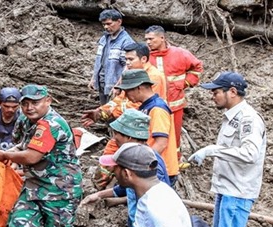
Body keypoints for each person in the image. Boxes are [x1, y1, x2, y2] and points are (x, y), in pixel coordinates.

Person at [0, 84, 83, 227]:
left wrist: (5, 156)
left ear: (48, 101)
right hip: (35, 184)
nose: (29, 107)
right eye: (25, 103)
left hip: (61, 188)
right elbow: (21, 146)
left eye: (35, 102)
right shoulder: (25, 120)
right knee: (20, 225)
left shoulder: (51, 124)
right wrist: (7, 153)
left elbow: (32, 156)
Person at [189, 72, 265, 227]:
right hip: (228, 185)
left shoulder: (248, 119)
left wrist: (212, 150)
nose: (213, 96)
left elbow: (250, 154)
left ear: (232, 92)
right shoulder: (232, 117)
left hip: (239, 190)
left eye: (216, 91)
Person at [81, 109, 170, 227]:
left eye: (117, 134)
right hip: (137, 225)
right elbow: (124, 189)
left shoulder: (149, 163)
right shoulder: (134, 159)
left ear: (129, 137)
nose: (114, 138)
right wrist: (98, 195)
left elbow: (159, 201)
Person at [145, 25, 203, 156]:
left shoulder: (180, 53)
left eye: (151, 39)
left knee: (174, 135)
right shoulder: (145, 56)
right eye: (146, 39)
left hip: (175, 105)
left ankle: (175, 161)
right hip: (153, 107)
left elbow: (197, 67)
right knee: (154, 134)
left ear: (162, 38)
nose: (148, 42)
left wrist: (186, 83)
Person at [115, 69, 179, 185]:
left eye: (128, 91)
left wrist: (141, 164)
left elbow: (161, 143)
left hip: (159, 169)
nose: (126, 95)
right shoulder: (146, 107)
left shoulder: (157, 108)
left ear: (139, 88)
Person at [82, 42, 167, 127]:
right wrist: (101, 111)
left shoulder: (153, 77)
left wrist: (108, 112)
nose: (127, 63)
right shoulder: (132, 74)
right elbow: (121, 98)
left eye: (131, 59)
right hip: (133, 122)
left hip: (148, 124)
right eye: (126, 59)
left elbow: (137, 106)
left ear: (143, 59)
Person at [89, 9, 134, 105]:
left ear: (119, 21)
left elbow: (128, 66)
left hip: (114, 84)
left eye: (109, 24)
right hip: (102, 82)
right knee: (104, 111)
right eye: (104, 24)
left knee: (113, 113)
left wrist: (118, 86)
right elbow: (99, 60)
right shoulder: (104, 38)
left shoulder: (126, 42)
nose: (106, 27)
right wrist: (94, 78)